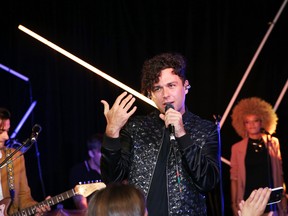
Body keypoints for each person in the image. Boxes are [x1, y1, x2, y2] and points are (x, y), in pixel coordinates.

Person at [100, 52, 220, 215]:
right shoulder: (137, 127)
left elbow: (208, 181)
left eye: (171, 85)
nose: (165, 95)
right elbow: (112, 180)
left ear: (185, 86)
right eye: (158, 88)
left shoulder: (206, 129)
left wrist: (181, 133)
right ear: (150, 94)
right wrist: (112, 132)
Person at [230, 97, 287, 216]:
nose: (251, 125)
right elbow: (234, 178)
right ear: (243, 124)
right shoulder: (237, 148)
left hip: (271, 202)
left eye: (255, 120)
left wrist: (284, 198)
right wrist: (234, 203)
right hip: (248, 203)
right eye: (247, 121)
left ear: (262, 122)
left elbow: (279, 174)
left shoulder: (273, 142)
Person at [0, 107, 50, 215]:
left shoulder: (15, 157)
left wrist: (37, 207)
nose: (6, 137)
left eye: (7, 131)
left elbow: (24, 198)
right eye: (1, 131)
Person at [69, 134, 102, 209]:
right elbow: (79, 201)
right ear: (91, 153)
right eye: (101, 153)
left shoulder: (111, 169)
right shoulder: (78, 171)